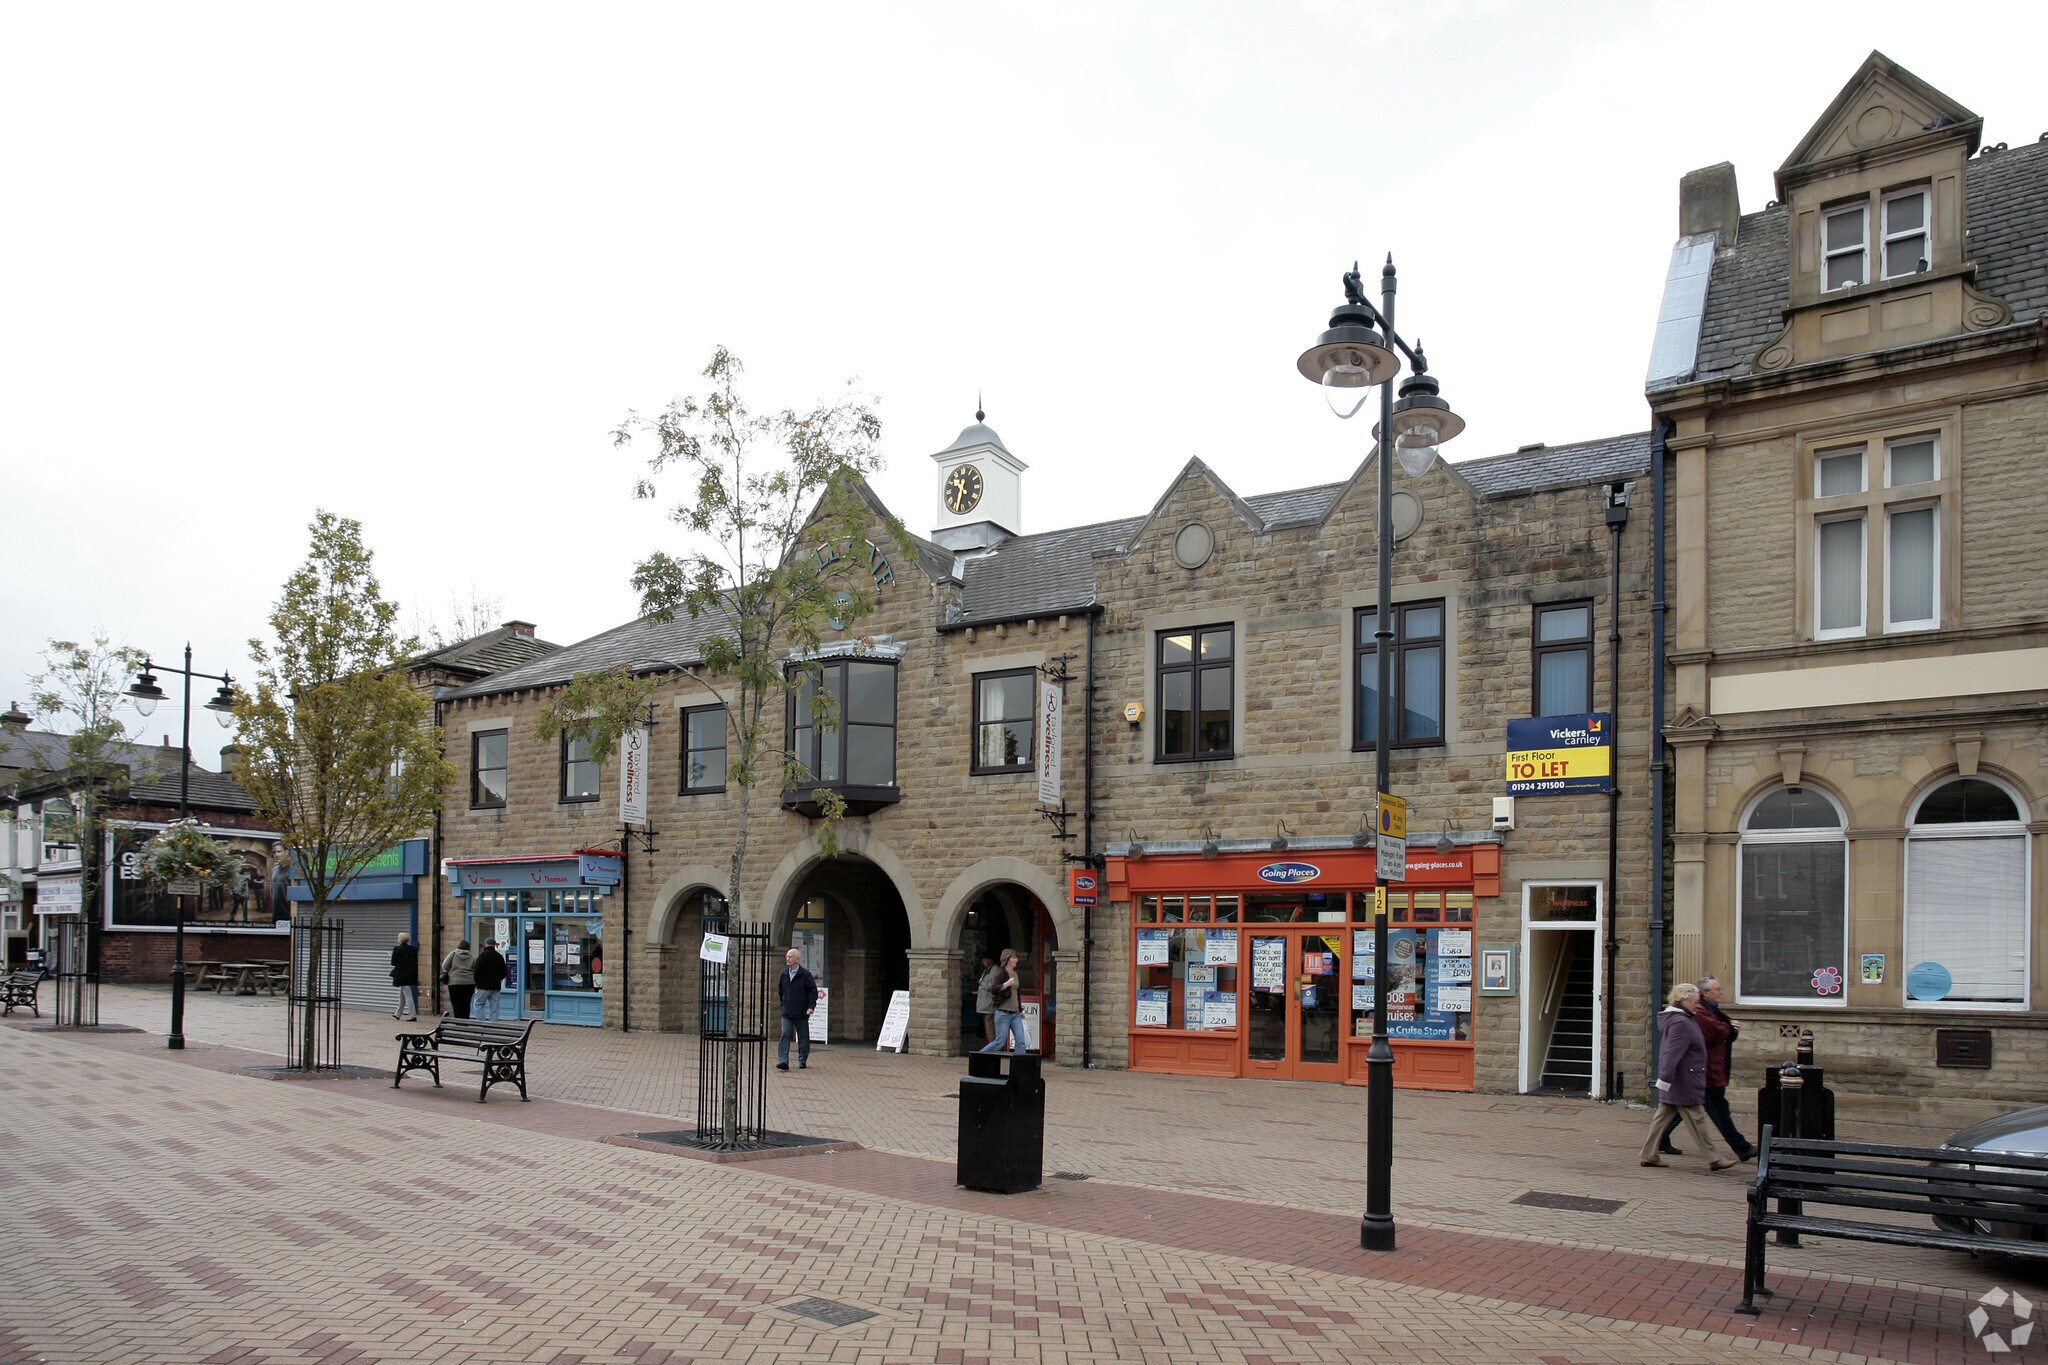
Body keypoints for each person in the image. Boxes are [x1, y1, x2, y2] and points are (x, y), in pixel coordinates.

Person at [1640, 982, 1740, 1172]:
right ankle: (1714, 1158)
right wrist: (1665, 1078)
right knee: (1697, 1118)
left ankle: (1649, 1154)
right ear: (1684, 1000)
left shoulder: (1684, 1018)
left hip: (1681, 1079)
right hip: (1684, 1080)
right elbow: (1671, 1053)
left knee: (1661, 1118)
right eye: (1695, 1001)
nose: (1697, 1004)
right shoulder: (1680, 1022)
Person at [1692, 974, 1756, 1161]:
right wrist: (1729, 1027)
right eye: (1717, 990)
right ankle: (1741, 1147)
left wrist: (1729, 1028)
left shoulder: (1713, 1011)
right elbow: (1715, 1033)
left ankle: (1660, 1140)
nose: (1721, 993)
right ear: (1705, 993)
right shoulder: (1701, 1011)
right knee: (1719, 1109)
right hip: (1707, 1070)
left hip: (1712, 1068)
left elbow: (1723, 1033)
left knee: (1680, 1108)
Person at [979, 949, 1030, 1055]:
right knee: (999, 1042)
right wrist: (1006, 984)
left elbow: (1017, 993)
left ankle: (1019, 1068)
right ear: (1007, 959)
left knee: (1021, 1041)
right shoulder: (1001, 973)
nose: (1016, 960)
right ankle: (978, 1056)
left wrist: (1020, 1010)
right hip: (1003, 1013)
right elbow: (993, 989)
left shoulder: (1015, 974)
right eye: (1014, 958)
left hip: (1015, 1013)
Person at [777, 947, 817, 1071]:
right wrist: (783, 1004)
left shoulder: (805, 975)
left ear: (797, 959)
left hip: (801, 1011)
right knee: (785, 1034)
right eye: (787, 956)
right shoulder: (784, 973)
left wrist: (811, 1007)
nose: (787, 958)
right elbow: (780, 991)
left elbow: (813, 992)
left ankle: (802, 1059)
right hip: (787, 1011)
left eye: (790, 956)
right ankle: (783, 1060)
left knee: (803, 1037)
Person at [471, 938, 508, 1020]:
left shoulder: (482, 956)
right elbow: (504, 972)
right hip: (495, 986)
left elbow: (477, 971)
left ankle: (482, 1024)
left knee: (478, 1005)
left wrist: (477, 982)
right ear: (495, 945)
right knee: (495, 1009)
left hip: (483, 986)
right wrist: (498, 979)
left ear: (485, 944)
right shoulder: (499, 957)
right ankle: (493, 1026)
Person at [441, 939, 476, 1020]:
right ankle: (465, 1021)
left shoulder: (453, 954)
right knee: (466, 1003)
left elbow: (445, 966)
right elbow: (475, 969)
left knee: (456, 1003)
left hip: (454, 982)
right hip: (469, 982)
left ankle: (458, 1022)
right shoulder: (472, 956)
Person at [389, 931, 419, 1020]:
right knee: (402, 995)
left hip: (401, 974)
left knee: (408, 996)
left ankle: (413, 1015)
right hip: (410, 974)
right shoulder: (413, 949)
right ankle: (398, 1014)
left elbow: (393, 962)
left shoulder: (397, 949)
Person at [974, 952, 999, 1044]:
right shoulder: (986, 970)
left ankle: (992, 1045)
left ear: (990, 960)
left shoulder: (995, 970)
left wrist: (981, 984)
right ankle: (990, 1043)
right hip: (984, 1003)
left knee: (990, 1025)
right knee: (987, 1025)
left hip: (989, 1003)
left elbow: (991, 986)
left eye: (985, 960)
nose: (983, 962)